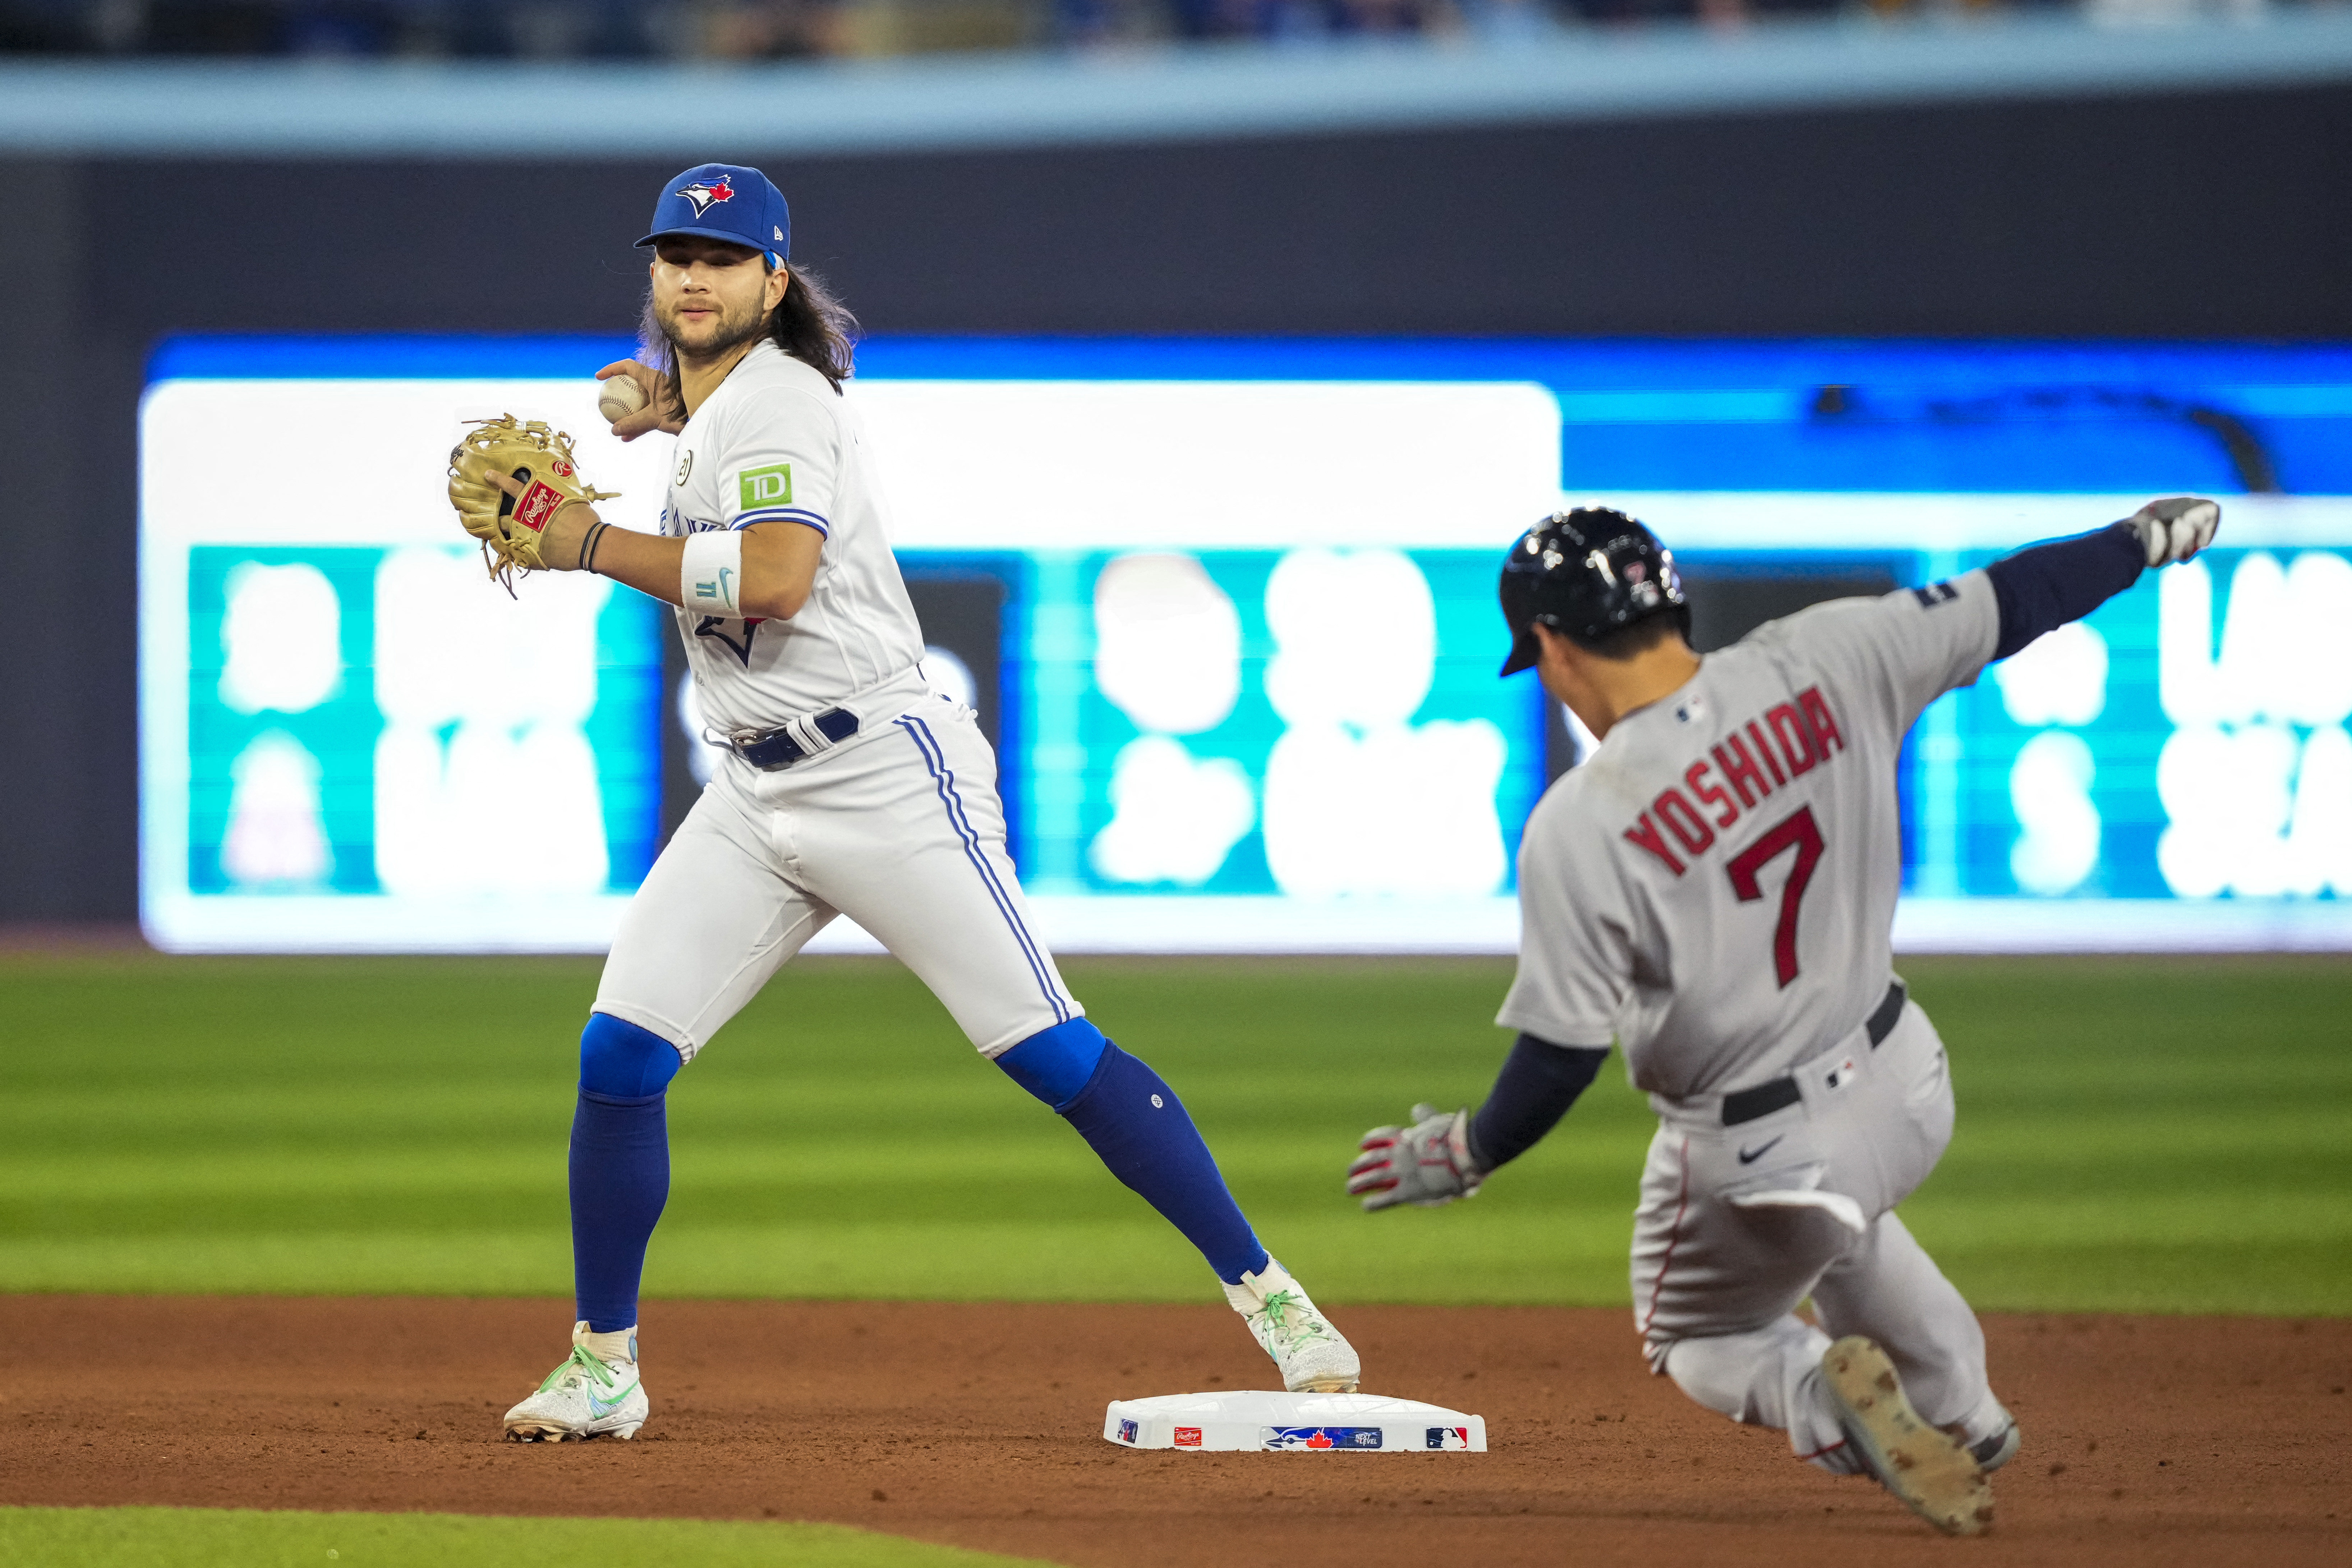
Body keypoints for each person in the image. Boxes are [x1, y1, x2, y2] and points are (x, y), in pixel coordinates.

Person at [484, 162, 1358, 1441]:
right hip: (751, 791)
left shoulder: (777, 399)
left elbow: (775, 576)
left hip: (883, 774)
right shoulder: (731, 396)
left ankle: (1275, 1299)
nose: (691, 275)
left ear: (771, 281)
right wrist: (663, 406)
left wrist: (585, 541)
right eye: (674, 254)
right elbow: (727, 450)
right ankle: (603, 1362)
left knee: (1051, 1049)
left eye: (722, 259)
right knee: (620, 1053)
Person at [1343, 498, 2219, 1534]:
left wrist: (1465, 1150)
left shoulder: (1582, 822)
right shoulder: (1831, 650)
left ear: (1549, 643)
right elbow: (2020, 598)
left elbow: (1558, 1057)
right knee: (1839, 1228)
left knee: (1700, 1334)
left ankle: (1818, 1393)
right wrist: (2138, 541)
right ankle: (1963, 1411)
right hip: (1905, 1082)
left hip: (1758, 1150)